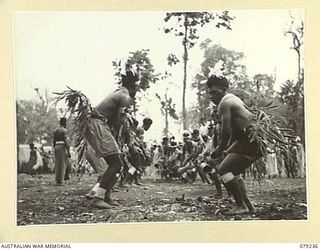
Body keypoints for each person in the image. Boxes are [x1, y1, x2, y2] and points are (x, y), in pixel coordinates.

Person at [83, 63, 139, 209]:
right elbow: (120, 120)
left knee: (114, 163)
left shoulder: (119, 92)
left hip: (97, 124)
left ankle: (106, 196)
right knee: (116, 163)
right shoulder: (125, 96)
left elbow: (115, 121)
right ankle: (98, 197)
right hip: (97, 124)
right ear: (134, 85)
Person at [207, 74, 261, 215]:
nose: (211, 96)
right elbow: (235, 131)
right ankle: (248, 206)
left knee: (223, 170)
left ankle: (240, 205)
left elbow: (225, 131)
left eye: (214, 92)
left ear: (224, 89)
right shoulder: (234, 99)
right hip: (250, 140)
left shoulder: (225, 102)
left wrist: (220, 148)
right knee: (234, 172)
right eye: (209, 93)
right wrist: (229, 148)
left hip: (250, 141)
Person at [53, 117, 71, 186]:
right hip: (62, 147)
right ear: (64, 123)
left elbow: (54, 141)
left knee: (58, 163)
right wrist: (68, 151)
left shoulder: (56, 130)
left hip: (56, 147)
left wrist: (54, 147)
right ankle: (60, 181)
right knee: (62, 164)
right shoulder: (64, 130)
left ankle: (58, 179)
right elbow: (66, 141)